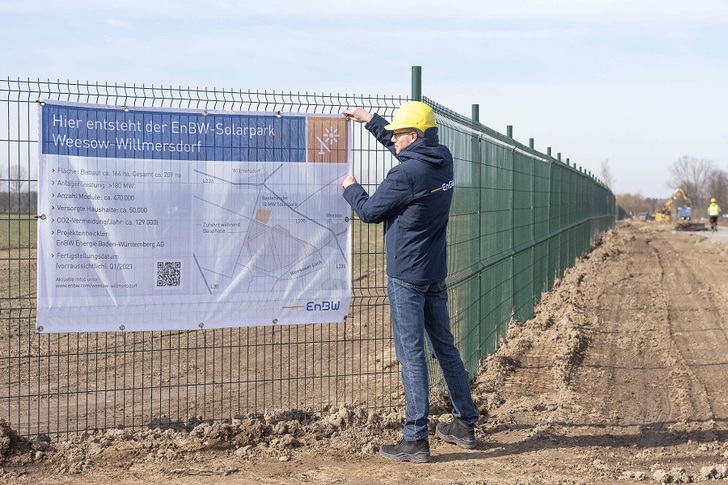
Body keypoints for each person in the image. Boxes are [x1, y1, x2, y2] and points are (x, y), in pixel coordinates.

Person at [341, 101, 480, 463]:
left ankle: (415, 438)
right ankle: (465, 423)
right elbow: (409, 155)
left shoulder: (405, 176)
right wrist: (371, 121)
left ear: (414, 135)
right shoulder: (442, 159)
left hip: (406, 276)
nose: (393, 139)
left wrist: (350, 187)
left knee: (411, 354)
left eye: (397, 134)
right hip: (434, 271)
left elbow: (370, 211)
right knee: (444, 347)